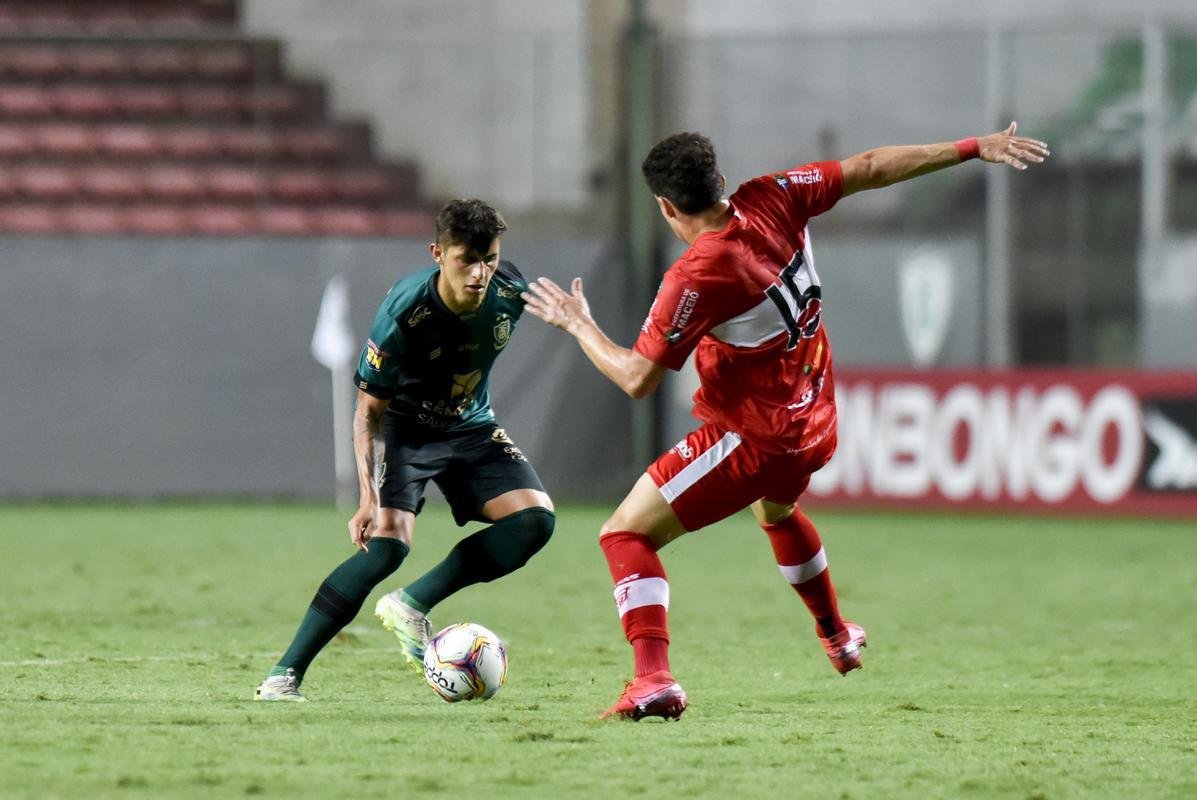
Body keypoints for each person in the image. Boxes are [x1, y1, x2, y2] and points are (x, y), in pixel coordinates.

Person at [522, 123, 1049, 720]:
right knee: (776, 511)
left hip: (754, 438)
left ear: (666, 206)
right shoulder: (777, 194)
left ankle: (653, 680)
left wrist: (577, 323)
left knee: (624, 533)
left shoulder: (695, 276)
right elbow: (871, 165)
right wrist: (972, 147)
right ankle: (836, 634)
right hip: (817, 415)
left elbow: (638, 379)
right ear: (720, 181)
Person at [256, 198, 555, 701]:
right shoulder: (405, 313)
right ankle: (283, 676)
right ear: (438, 253)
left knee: (534, 522)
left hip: (471, 426)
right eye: (467, 260)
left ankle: (412, 605)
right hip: (407, 430)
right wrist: (368, 499)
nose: (481, 273)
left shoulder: (509, 288)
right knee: (386, 548)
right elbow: (366, 413)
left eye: (490, 259)